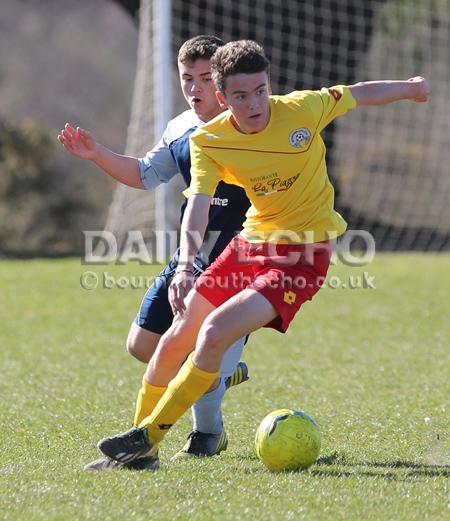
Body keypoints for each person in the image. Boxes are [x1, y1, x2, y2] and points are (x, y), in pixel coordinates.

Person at [95, 40, 430, 465]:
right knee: (174, 339)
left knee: (214, 332)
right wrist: (184, 267)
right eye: (240, 96)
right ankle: (142, 453)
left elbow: (358, 93)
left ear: (268, 83)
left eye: (260, 90)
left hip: (302, 256)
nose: (255, 103)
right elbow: (197, 204)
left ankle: (152, 436)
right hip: (249, 245)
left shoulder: (302, 109)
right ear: (223, 98)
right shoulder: (208, 141)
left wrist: (411, 87)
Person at [58, 36, 251, 470]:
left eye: (206, 78)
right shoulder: (181, 127)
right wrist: (96, 154)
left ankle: (199, 435)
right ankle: (219, 375)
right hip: (190, 258)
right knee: (141, 345)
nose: (196, 87)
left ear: (223, 79)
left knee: (191, 351)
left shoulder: (256, 127)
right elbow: (146, 174)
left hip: (239, 265)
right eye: (188, 78)